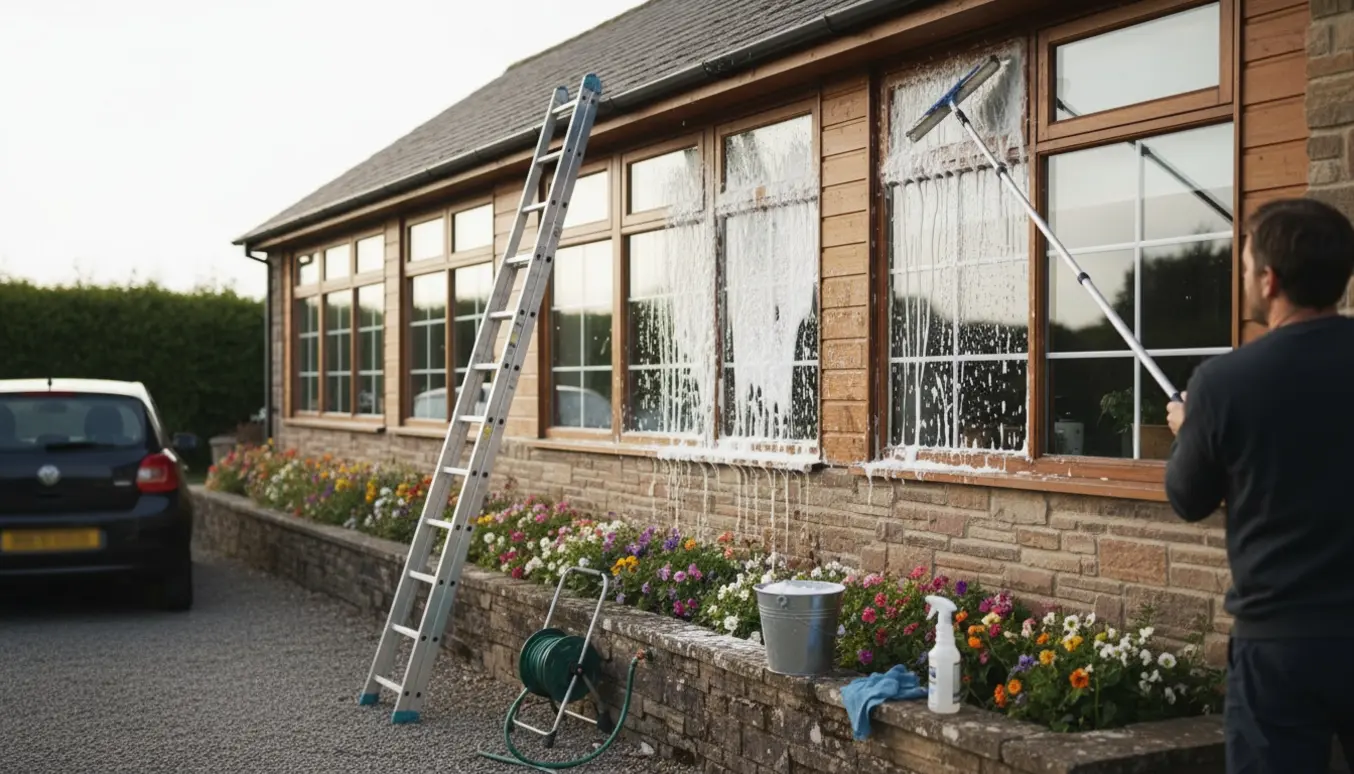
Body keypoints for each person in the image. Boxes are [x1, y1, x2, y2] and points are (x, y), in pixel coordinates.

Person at [1164, 196, 1354, 774]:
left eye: (1245, 268)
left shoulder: (1225, 383)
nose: (1243, 278)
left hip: (1280, 648)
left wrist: (1188, 427)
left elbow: (1188, 498)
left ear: (1269, 281)